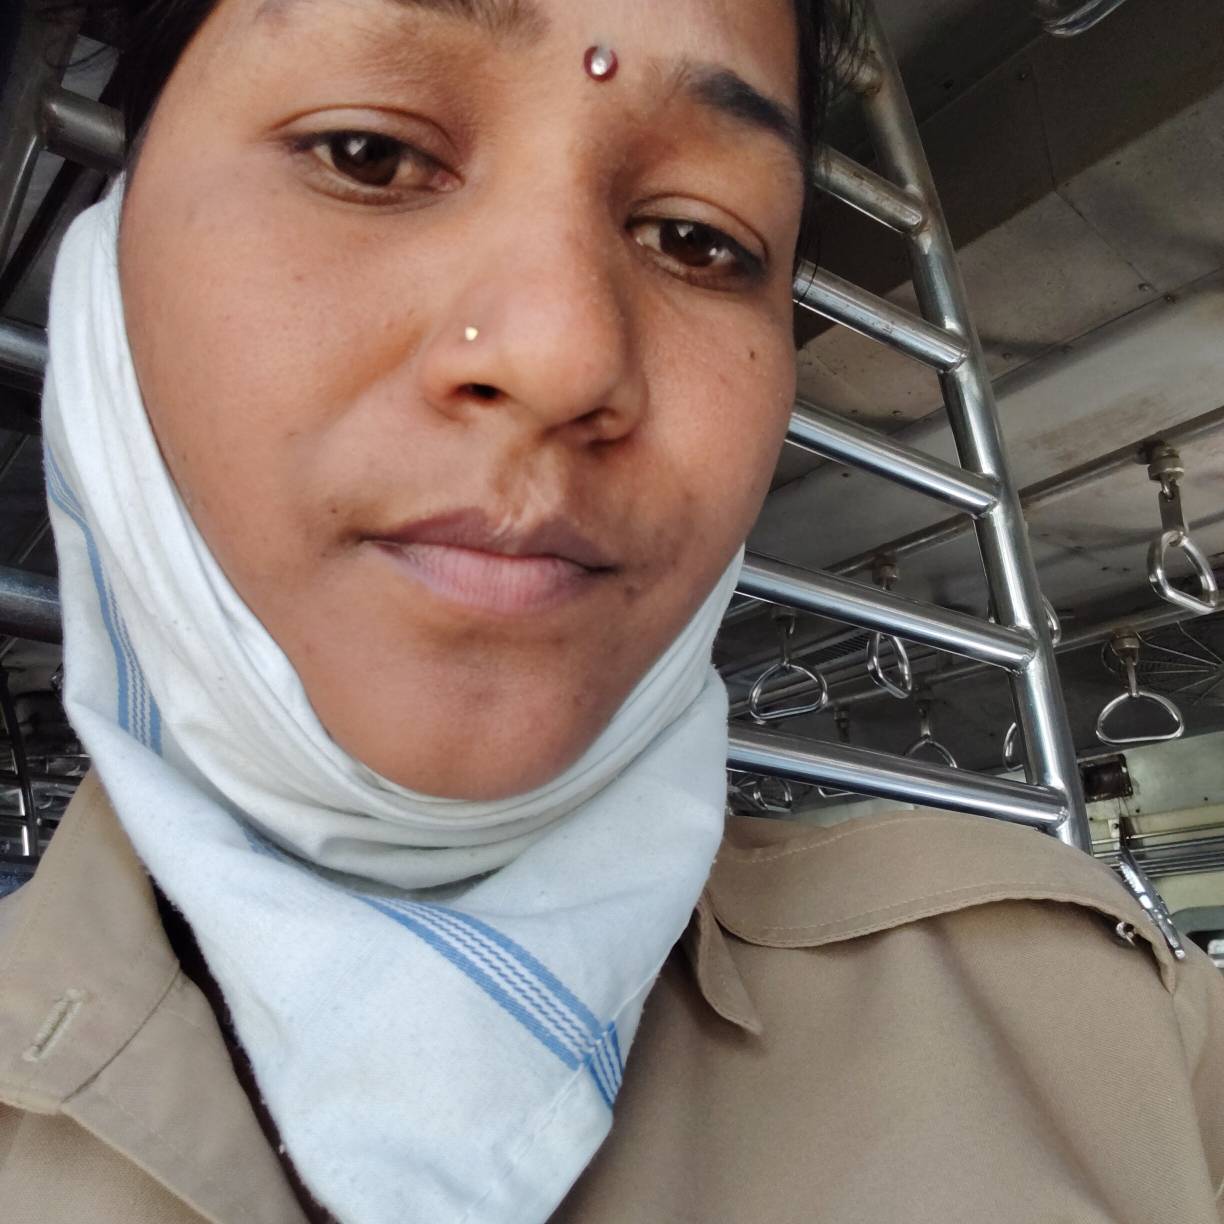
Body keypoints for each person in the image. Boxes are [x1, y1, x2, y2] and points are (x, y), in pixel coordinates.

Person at [1, 0, 1223, 1220]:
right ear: (109, 264)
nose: (565, 356)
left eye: (698, 237)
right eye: (368, 153)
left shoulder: (1111, 1049)